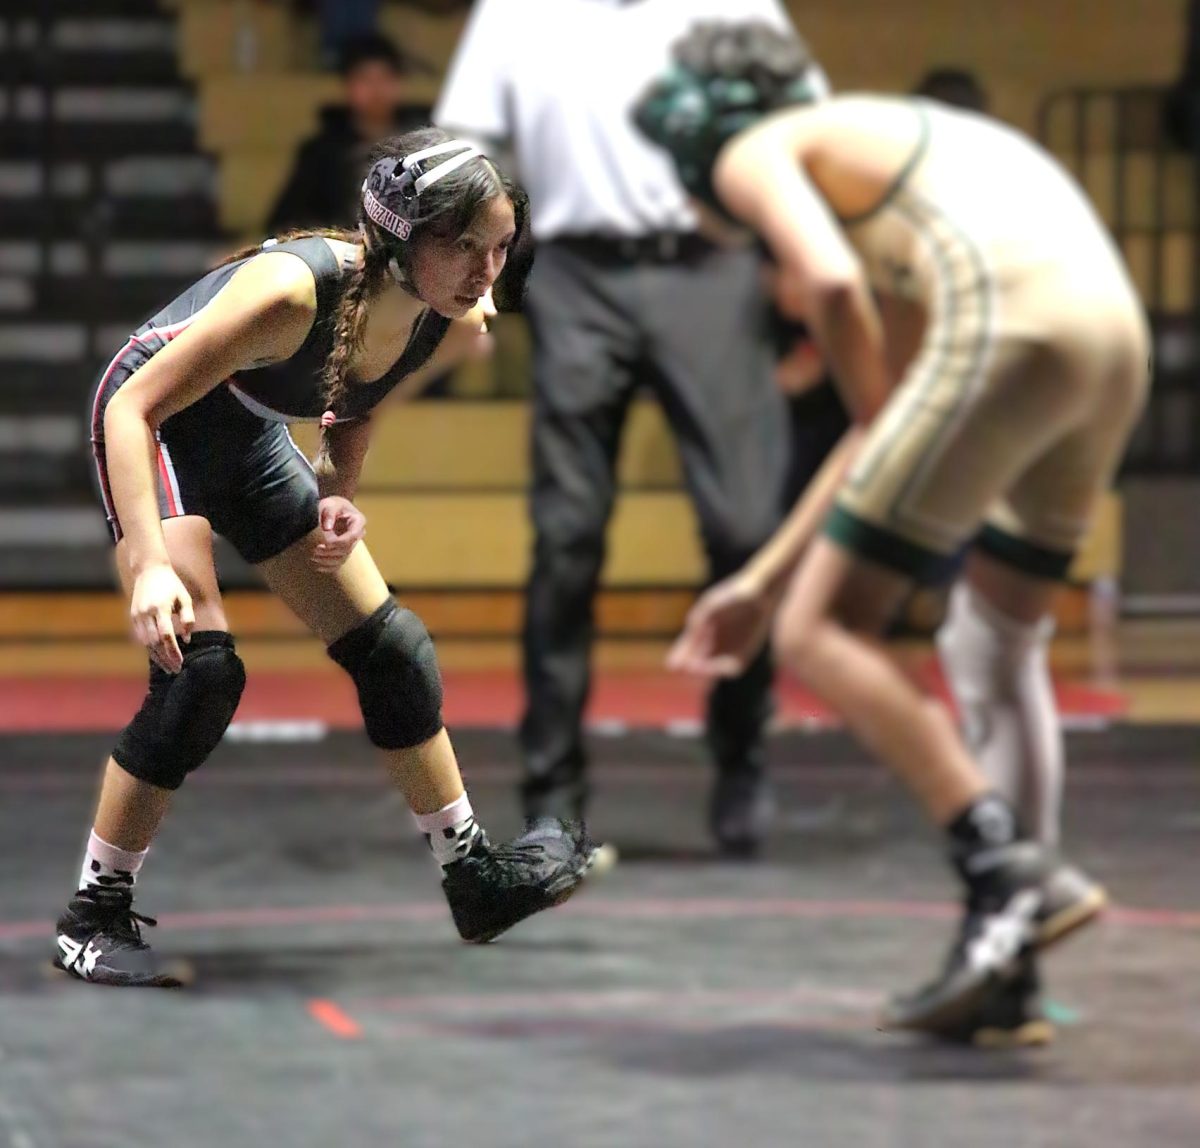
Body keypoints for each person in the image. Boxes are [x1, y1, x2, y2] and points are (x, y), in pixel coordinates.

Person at [636, 22, 1147, 1043]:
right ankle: (1007, 964)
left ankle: (1008, 869)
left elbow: (828, 289)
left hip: (1012, 321)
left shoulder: (760, 145)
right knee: (994, 643)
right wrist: (761, 579)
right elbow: (891, 415)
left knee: (826, 631)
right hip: (1107, 332)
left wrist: (790, 595)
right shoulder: (898, 161)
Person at [58, 128, 594, 988]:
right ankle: (93, 916)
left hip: (247, 436)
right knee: (201, 676)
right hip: (161, 431)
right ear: (401, 240)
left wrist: (338, 486)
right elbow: (134, 407)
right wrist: (152, 560)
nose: (485, 270)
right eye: (462, 247)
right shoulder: (291, 294)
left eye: (499, 247)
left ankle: (472, 877)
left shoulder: (455, 319)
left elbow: (359, 398)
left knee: (393, 652)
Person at [435, 0, 830, 857]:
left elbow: (808, 116)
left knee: (746, 529)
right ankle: (553, 791)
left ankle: (742, 753)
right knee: (566, 537)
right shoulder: (514, 12)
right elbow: (467, 146)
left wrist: (794, 251)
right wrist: (468, 278)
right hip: (577, 274)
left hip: (713, 269)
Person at [269, 34, 426, 233]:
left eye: (384, 78)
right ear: (348, 86)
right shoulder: (321, 152)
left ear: (398, 84)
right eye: (365, 79)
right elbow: (288, 220)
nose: (376, 90)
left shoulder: (423, 146)